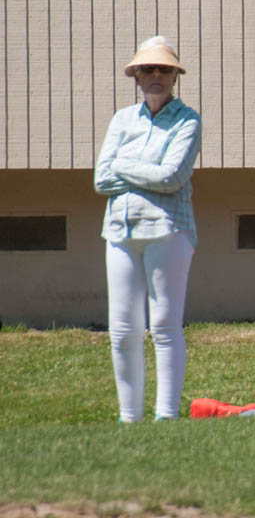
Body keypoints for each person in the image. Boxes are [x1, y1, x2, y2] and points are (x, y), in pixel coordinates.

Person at [94, 36, 202, 421]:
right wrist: (143, 174)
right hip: (120, 231)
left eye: (164, 70)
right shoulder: (122, 119)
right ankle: (129, 418)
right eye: (148, 69)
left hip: (168, 229)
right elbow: (100, 180)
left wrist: (123, 165)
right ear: (136, 76)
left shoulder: (188, 120)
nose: (156, 75)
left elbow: (173, 176)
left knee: (164, 325)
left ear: (174, 76)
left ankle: (166, 415)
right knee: (122, 329)